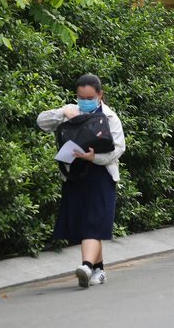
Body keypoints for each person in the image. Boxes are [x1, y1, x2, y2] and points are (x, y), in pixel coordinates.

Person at [37, 74, 125, 288]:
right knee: (87, 222)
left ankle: (86, 266)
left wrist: (93, 157)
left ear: (100, 95)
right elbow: (41, 122)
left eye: (89, 97)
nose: (84, 101)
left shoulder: (110, 117)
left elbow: (118, 149)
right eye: (80, 97)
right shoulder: (71, 110)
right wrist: (62, 113)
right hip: (75, 175)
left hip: (101, 174)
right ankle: (99, 270)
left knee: (93, 222)